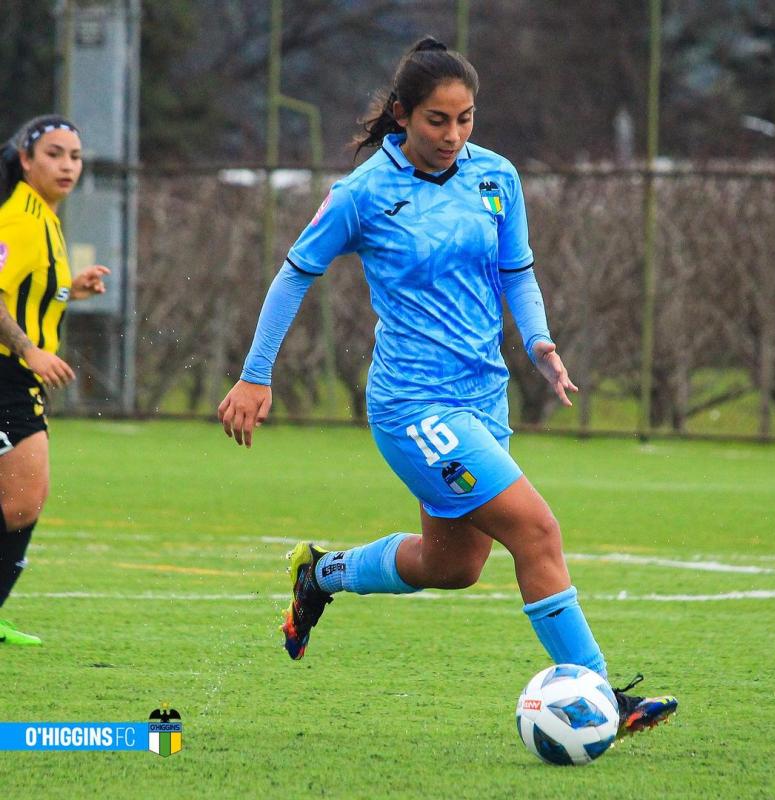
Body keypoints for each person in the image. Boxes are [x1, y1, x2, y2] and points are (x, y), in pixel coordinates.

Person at [219, 38, 677, 737]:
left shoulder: (495, 176)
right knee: (537, 531)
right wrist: (256, 374)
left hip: (482, 397)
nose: (454, 136)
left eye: (465, 119)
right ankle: (603, 698)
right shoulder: (365, 192)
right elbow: (294, 272)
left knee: (453, 566)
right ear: (403, 115)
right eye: (438, 120)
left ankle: (320, 574)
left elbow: (516, 271)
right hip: (414, 404)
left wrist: (538, 340)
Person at [0, 115, 110, 645]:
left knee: (21, 502)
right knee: (22, 501)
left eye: (75, 156)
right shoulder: (18, 218)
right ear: (26, 160)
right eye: (54, 155)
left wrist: (70, 289)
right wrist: (29, 349)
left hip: (17, 376)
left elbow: (26, 288)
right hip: (6, 372)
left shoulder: (44, 216)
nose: (68, 166)